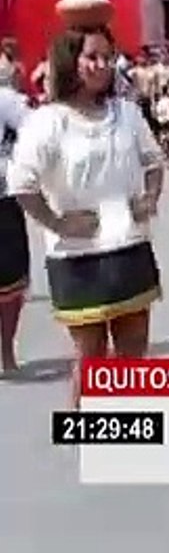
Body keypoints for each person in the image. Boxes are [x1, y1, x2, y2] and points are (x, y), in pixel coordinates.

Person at [9, 0, 164, 407]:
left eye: (107, 57)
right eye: (91, 57)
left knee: (133, 354)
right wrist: (59, 222)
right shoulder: (48, 122)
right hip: (76, 257)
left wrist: (149, 199)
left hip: (129, 246)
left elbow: (154, 163)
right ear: (70, 61)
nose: (101, 65)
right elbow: (22, 184)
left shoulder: (128, 115)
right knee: (91, 355)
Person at [0, 67, 31, 374]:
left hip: (3, 201)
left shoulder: (5, 100)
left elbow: (35, 132)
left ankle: (6, 350)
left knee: (10, 280)